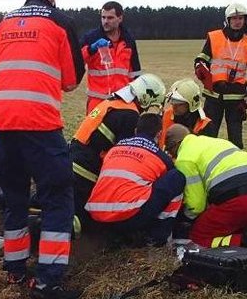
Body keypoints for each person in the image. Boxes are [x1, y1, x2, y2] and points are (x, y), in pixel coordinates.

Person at [0, 0, 86, 299]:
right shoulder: (60, 22)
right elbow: (71, 81)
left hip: (2, 127)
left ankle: (15, 268)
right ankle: (48, 281)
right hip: (40, 128)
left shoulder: (3, 23)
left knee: (14, 199)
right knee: (57, 198)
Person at [71, 73, 166, 221]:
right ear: (146, 97)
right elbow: (123, 158)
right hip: (85, 172)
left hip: (73, 160)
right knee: (85, 221)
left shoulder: (112, 103)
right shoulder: (130, 115)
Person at [85, 113, 185, 246]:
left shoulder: (114, 149)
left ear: (136, 130)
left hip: (96, 214)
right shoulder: (161, 158)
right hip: (129, 217)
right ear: (159, 134)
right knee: (177, 178)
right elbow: (164, 190)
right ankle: (157, 238)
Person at [165, 125, 247, 248]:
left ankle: (242, 242)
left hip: (235, 200)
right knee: (244, 230)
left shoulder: (184, 158)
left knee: (199, 236)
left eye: (170, 151)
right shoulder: (217, 142)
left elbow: (196, 205)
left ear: (175, 145)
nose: (173, 156)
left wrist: (185, 220)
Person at [193, 3, 247, 149]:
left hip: (236, 100)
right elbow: (202, 58)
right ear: (227, 20)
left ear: (245, 20)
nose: (237, 21)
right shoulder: (214, 37)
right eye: (234, 18)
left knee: (236, 141)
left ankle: (235, 168)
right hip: (214, 96)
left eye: (240, 18)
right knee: (208, 137)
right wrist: (199, 66)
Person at [80, 1, 142, 113]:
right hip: (97, 101)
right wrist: (91, 49)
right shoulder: (91, 38)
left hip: (122, 101)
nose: (105, 21)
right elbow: (77, 60)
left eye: (110, 18)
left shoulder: (128, 40)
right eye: (103, 17)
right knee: (94, 131)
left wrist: (137, 100)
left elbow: (135, 73)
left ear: (120, 18)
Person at [158, 79, 210, 148]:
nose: (174, 107)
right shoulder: (167, 114)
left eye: (179, 104)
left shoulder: (205, 126)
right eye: (173, 102)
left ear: (191, 104)